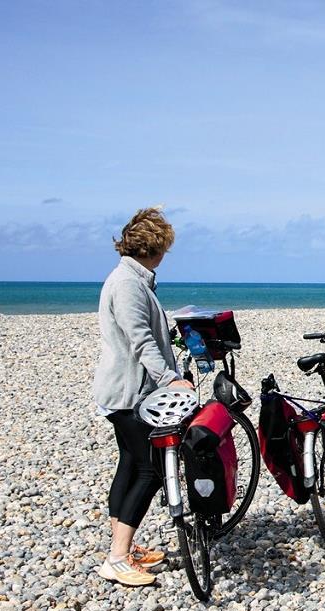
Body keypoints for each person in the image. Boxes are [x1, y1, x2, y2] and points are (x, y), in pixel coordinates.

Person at [92, 206, 193, 586]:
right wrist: (170, 379)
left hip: (121, 390)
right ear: (154, 247)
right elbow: (141, 340)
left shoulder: (131, 279)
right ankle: (117, 558)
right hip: (129, 392)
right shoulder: (128, 284)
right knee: (151, 470)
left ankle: (123, 548)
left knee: (130, 465)